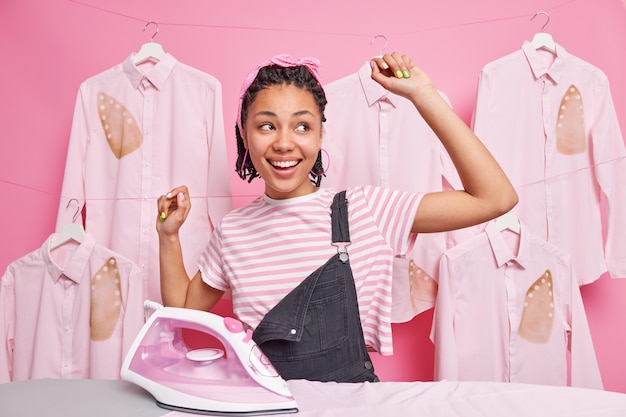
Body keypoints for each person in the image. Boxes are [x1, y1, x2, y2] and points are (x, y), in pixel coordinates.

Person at [156, 52, 518, 382]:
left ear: (320, 135)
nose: (284, 143)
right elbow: (183, 311)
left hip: (351, 404)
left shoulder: (365, 210)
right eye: (266, 126)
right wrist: (169, 237)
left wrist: (424, 96)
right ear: (244, 137)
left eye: (302, 126)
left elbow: (494, 199)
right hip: (268, 403)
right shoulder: (232, 231)